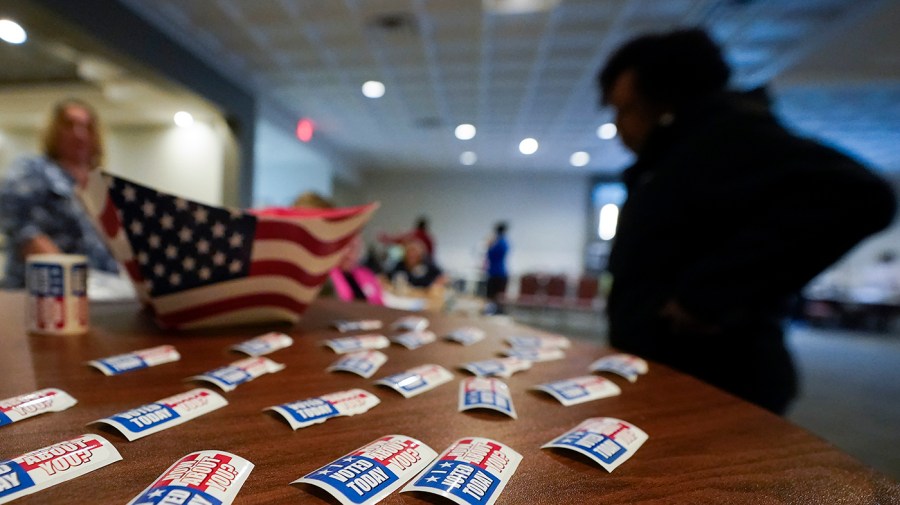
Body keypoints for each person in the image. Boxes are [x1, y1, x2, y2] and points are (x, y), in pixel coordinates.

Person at [597, 28, 896, 414]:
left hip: (717, 375)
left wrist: (706, 294)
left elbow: (861, 195)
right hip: (676, 370)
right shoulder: (676, 154)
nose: (620, 126)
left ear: (666, 101)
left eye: (627, 109)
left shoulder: (723, 137)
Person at [0, 99, 119, 289]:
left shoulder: (101, 184)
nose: (78, 134)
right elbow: (22, 230)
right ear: (54, 131)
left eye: (86, 127)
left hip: (105, 294)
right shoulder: (32, 169)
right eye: (69, 125)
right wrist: (72, 282)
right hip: (45, 297)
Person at [329, 235, 384, 305]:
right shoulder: (329, 275)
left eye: (356, 249)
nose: (350, 254)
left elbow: (379, 302)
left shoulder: (366, 274)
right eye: (348, 247)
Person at [484, 222, 510, 313]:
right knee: (497, 295)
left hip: (496, 272)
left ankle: (494, 311)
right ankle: (496, 310)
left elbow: (490, 255)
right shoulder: (504, 242)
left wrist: (489, 246)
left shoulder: (498, 243)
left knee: (493, 294)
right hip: (500, 272)